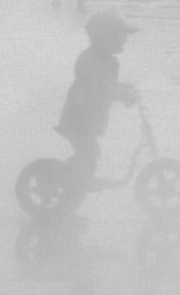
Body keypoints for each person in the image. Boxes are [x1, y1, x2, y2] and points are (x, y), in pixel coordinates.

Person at [54, 10, 140, 196]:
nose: (125, 39)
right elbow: (98, 87)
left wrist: (124, 88)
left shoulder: (109, 62)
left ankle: (70, 177)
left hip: (89, 120)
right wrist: (121, 93)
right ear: (104, 36)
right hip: (78, 120)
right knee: (88, 155)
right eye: (121, 35)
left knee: (90, 155)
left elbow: (107, 85)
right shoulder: (89, 59)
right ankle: (69, 184)